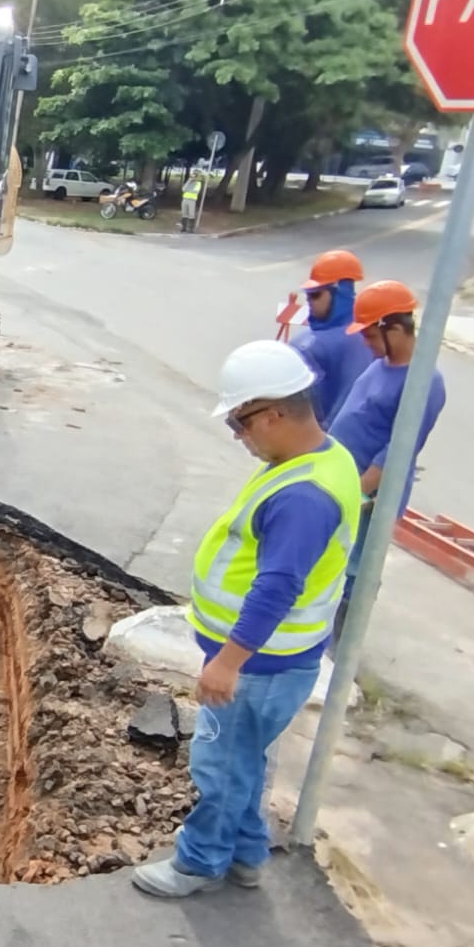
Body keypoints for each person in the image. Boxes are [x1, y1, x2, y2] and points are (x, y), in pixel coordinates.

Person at [133, 341, 362, 899]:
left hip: (257, 665)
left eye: (240, 421)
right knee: (243, 761)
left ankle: (199, 864)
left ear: (274, 412)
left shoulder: (304, 495)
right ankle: (246, 854)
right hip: (272, 660)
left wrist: (228, 662)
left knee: (218, 766)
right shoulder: (320, 460)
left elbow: (277, 587)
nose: (237, 435)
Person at [326, 280, 446, 638]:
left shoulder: (423, 381)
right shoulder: (380, 364)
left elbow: (398, 447)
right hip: (342, 479)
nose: (365, 343)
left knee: (355, 567)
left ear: (394, 329)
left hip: (368, 495)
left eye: (369, 335)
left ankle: (341, 643)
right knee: (328, 559)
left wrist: (358, 490)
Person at [289, 249, 374, 425]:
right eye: (308, 295)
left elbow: (349, 400)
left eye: (316, 295)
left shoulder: (354, 340)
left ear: (340, 293)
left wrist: (324, 437)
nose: (309, 301)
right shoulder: (312, 333)